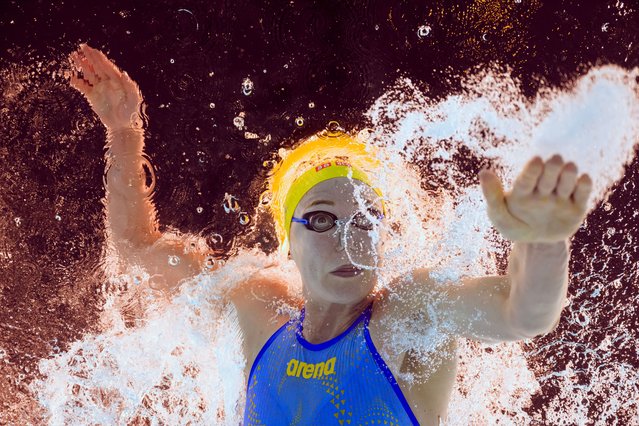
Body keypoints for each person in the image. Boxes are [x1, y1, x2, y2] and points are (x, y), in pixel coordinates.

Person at [67, 43, 593, 425]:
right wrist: (124, 131)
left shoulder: (409, 316)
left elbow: (523, 312)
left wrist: (543, 241)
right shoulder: (254, 306)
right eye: (321, 219)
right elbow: (138, 247)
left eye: (366, 220)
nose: (349, 240)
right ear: (288, 243)